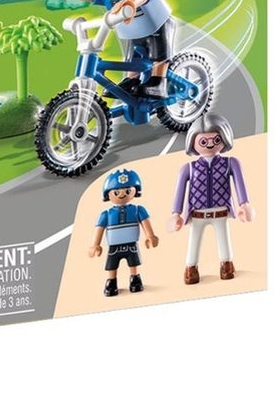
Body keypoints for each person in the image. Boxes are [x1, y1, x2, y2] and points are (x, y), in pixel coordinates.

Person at [171, 114, 253, 284]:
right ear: (192, 141)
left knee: (224, 239)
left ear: (224, 138)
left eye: (215, 140)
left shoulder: (231, 163)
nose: (209, 144)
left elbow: (240, 184)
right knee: (194, 241)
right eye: (203, 141)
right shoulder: (188, 168)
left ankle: (227, 265)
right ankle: (191, 268)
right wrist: (176, 214)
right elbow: (180, 191)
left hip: (221, 211)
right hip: (197, 213)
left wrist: (244, 204)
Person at [88, 168, 158, 296]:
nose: (122, 194)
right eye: (116, 191)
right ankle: (112, 282)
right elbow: (99, 229)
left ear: (135, 190)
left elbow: (145, 223)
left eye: (127, 191)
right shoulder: (106, 214)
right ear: (108, 194)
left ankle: (135, 279)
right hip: (114, 247)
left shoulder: (138, 210)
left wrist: (150, 236)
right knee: (112, 265)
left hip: (131, 245)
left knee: (133, 263)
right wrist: (95, 245)